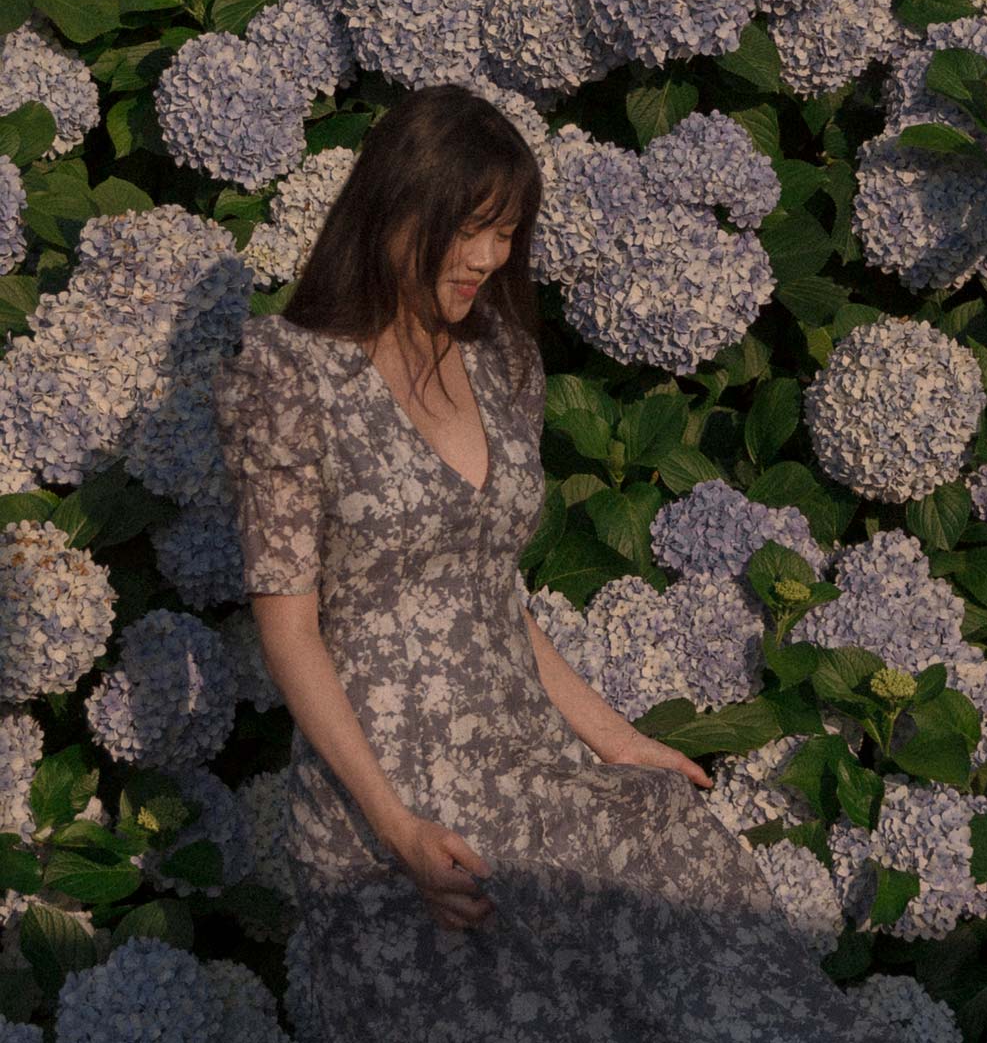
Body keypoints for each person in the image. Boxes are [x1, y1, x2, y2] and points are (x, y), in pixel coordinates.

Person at [212, 83, 887, 1042]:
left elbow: (497, 598)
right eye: (472, 229)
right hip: (391, 799)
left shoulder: (502, 361)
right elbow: (289, 629)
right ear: (397, 208)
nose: (490, 258)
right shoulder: (287, 371)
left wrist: (617, 740)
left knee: (688, 907)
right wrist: (398, 830)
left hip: (519, 762)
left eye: (507, 232)